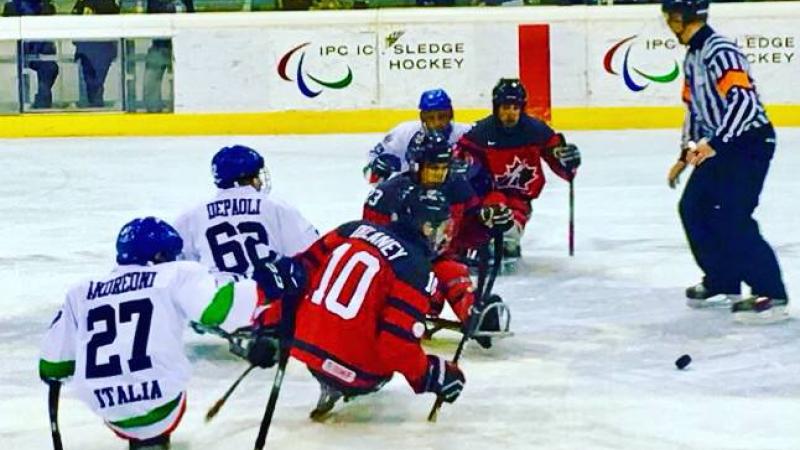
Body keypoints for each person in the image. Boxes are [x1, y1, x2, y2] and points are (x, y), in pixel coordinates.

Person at [39, 217, 281, 450]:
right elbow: (218, 311)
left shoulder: (81, 292)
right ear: (159, 256)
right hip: (161, 401)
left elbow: (52, 367)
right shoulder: (173, 275)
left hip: (105, 404)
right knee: (166, 373)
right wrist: (265, 288)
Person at [278, 188, 465, 419]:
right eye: (439, 227)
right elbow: (396, 346)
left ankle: (331, 380)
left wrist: (270, 324)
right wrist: (432, 373)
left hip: (307, 348)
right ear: (425, 228)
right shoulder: (415, 268)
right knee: (386, 350)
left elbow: (298, 273)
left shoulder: (351, 229)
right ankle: (344, 381)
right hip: (357, 371)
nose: (443, 235)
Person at [662, 0, 788, 323]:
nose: (667, 23)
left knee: (733, 217)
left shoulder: (719, 50)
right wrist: (684, 153)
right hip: (720, 146)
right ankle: (723, 278)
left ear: (681, 17)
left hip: (749, 143)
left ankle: (770, 291)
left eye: (669, 17)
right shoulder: (692, 57)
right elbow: (693, 110)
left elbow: (743, 103)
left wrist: (715, 144)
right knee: (693, 208)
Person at [363, 130, 511, 348]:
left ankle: (474, 314)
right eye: (433, 168)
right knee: (423, 300)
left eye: (443, 168)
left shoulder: (458, 188)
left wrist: (485, 222)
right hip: (397, 270)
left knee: (454, 272)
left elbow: (467, 235)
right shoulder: (387, 195)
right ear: (415, 164)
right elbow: (368, 247)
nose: (439, 175)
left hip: (438, 262)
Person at [456, 78, 581, 262]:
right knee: (489, 224)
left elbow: (558, 159)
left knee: (509, 236)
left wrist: (568, 162)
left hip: (519, 199)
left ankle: (503, 245)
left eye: (515, 108)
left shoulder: (537, 131)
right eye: (506, 107)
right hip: (488, 195)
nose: (510, 114)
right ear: (496, 107)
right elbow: (464, 166)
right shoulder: (480, 134)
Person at [173, 145, 318, 278]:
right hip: (270, 298)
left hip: (220, 301)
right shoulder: (277, 208)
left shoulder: (192, 216)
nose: (260, 182)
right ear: (252, 179)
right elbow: (308, 253)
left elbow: (175, 266)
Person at [364, 88, 472, 185]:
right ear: (422, 118)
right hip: (413, 195)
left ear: (451, 115)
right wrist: (377, 170)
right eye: (430, 117)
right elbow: (371, 165)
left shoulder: (467, 134)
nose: (437, 122)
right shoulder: (404, 133)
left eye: (442, 116)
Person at [2, 0, 59, 108]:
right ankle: (33, 104)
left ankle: (41, 103)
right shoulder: (12, 7)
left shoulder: (47, 7)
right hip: (19, 54)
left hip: (42, 53)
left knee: (50, 68)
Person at [71, 0, 119, 107]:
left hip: (101, 50)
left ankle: (94, 105)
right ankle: (92, 106)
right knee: (90, 86)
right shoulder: (81, 4)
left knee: (94, 86)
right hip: (86, 51)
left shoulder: (108, 5)